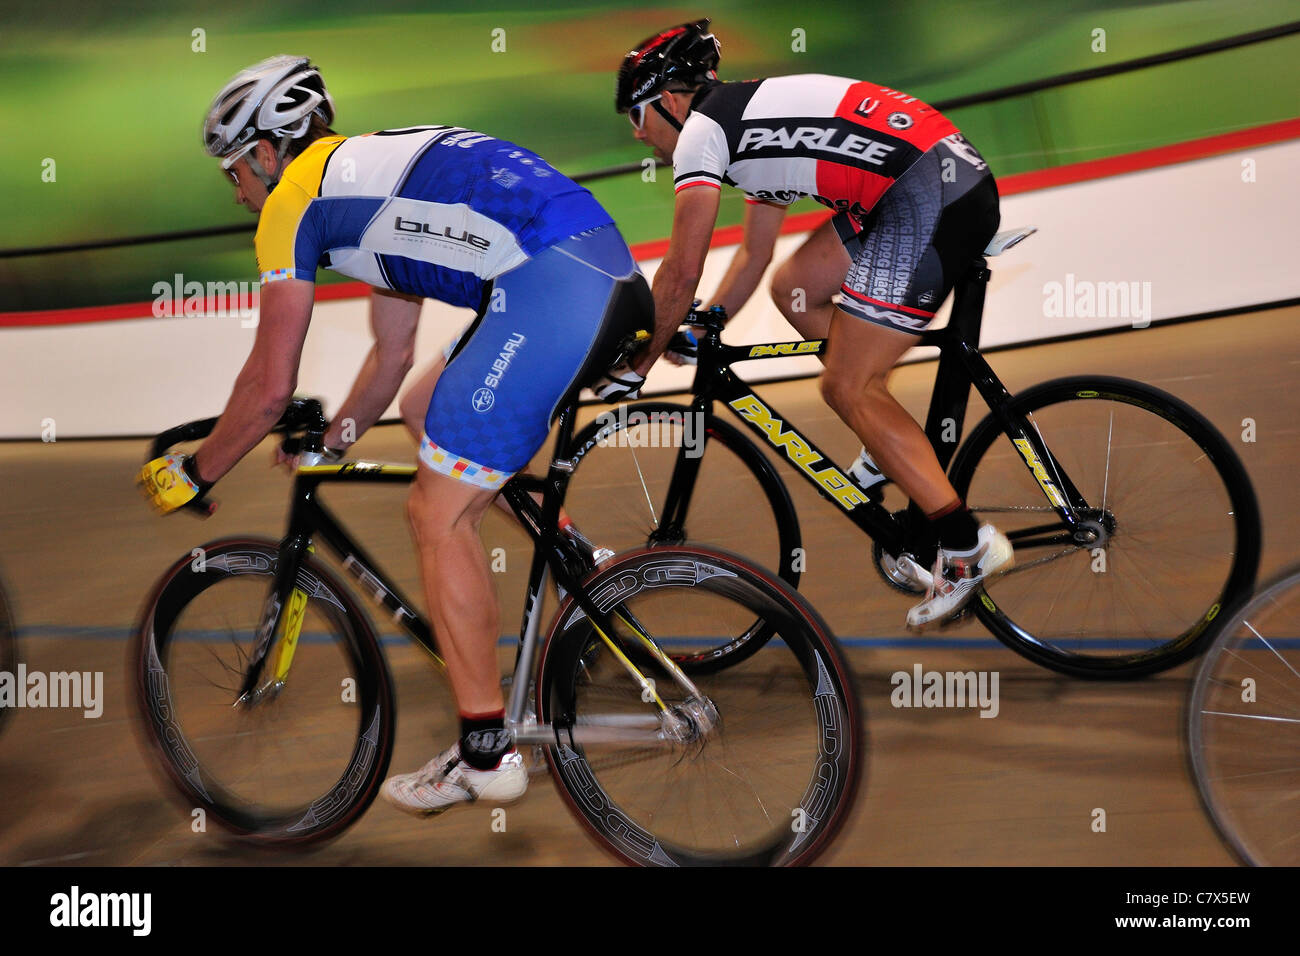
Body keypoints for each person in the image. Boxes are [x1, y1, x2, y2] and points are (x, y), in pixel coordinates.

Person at [139, 55, 651, 815]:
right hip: (600, 276)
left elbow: (267, 386)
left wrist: (195, 472)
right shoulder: (364, 178)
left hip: (551, 291)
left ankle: (485, 752)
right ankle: (572, 548)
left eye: (235, 171)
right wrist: (335, 444)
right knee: (422, 408)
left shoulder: (294, 203)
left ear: (268, 151)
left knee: (436, 513)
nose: (239, 190)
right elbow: (392, 356)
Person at [615, 20, 1013, 628]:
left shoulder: (702, 133)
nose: (640, 140)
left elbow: (681, 267)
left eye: (637, 120)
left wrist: (640, 361)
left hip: (925, 192)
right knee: (795, 292)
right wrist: (707, 326)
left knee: (845, 387)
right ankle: (886, 443)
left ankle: (964, 544)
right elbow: (754, 257)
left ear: (667, 101)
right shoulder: (745, 122)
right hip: (929, 180)